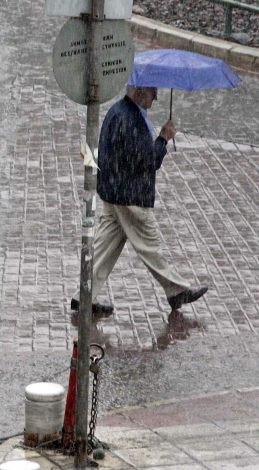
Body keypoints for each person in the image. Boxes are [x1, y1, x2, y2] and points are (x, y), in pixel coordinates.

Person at [70, 85, 208, 314]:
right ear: (140, 93)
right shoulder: (131, 119)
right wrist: (163, 139)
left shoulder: (118, 111)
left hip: (113, 192)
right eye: (153, 93)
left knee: (104, 248)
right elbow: (146, 163)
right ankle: (176, 291)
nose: (156, 98)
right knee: (149, 245)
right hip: (129, 197)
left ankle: (83, 296)